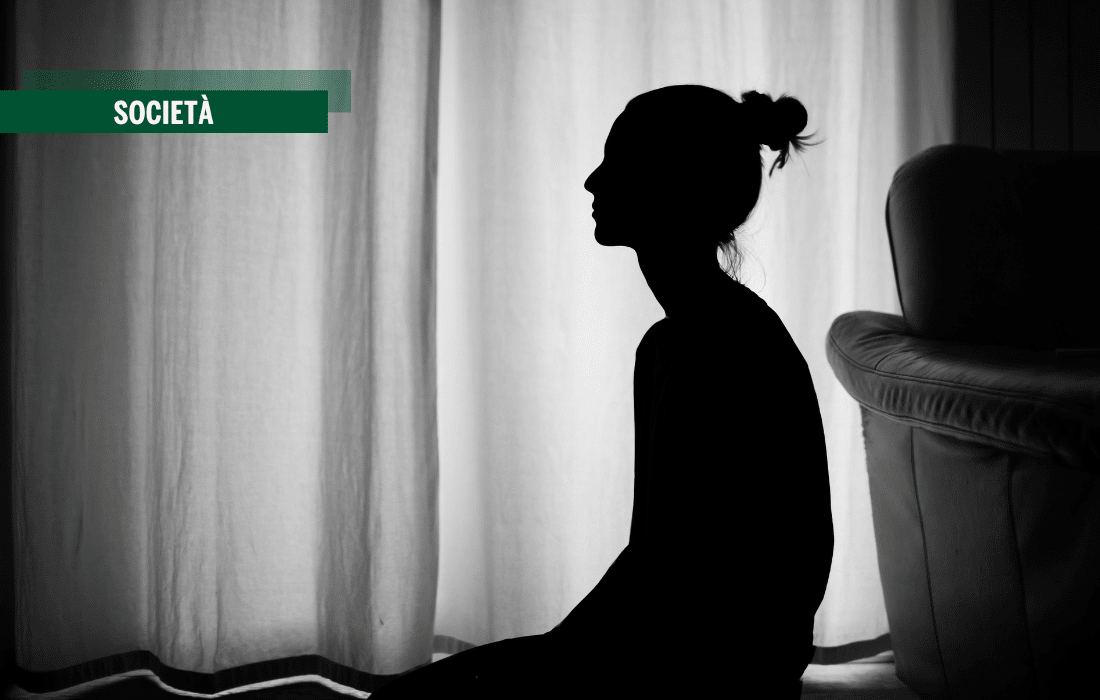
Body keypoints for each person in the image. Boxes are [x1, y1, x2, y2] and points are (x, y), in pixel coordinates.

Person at [372, 84, 834, 699]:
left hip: (717, 670)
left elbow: (700, 582)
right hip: (674, 645)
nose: (592, 181)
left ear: (671, 185)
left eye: (616, 162)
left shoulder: (727, 351)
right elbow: (654, 558)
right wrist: (555, 651)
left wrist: (551, 659)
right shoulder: (666, 347)